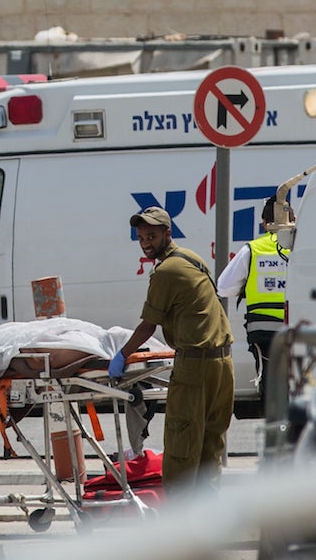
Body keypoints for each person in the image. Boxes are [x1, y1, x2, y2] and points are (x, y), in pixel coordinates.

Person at [109, 206, 234, 496]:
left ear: (168, 233)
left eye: (151, 236)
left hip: (195, 367)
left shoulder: (166, 271)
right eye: (140, 238)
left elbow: (146, 328)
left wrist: (122, 355)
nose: (145, 243)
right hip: (222, 362)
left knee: (181, 446)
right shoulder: (192, 258)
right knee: (209, 445)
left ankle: (177, 526)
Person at [217, 195, 291, 404]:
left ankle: (278, 429)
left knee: (272, 391)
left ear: (265, 224)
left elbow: (222, 287)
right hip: (301, 329)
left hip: (264, 331)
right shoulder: (304, 247)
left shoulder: (253, 249)